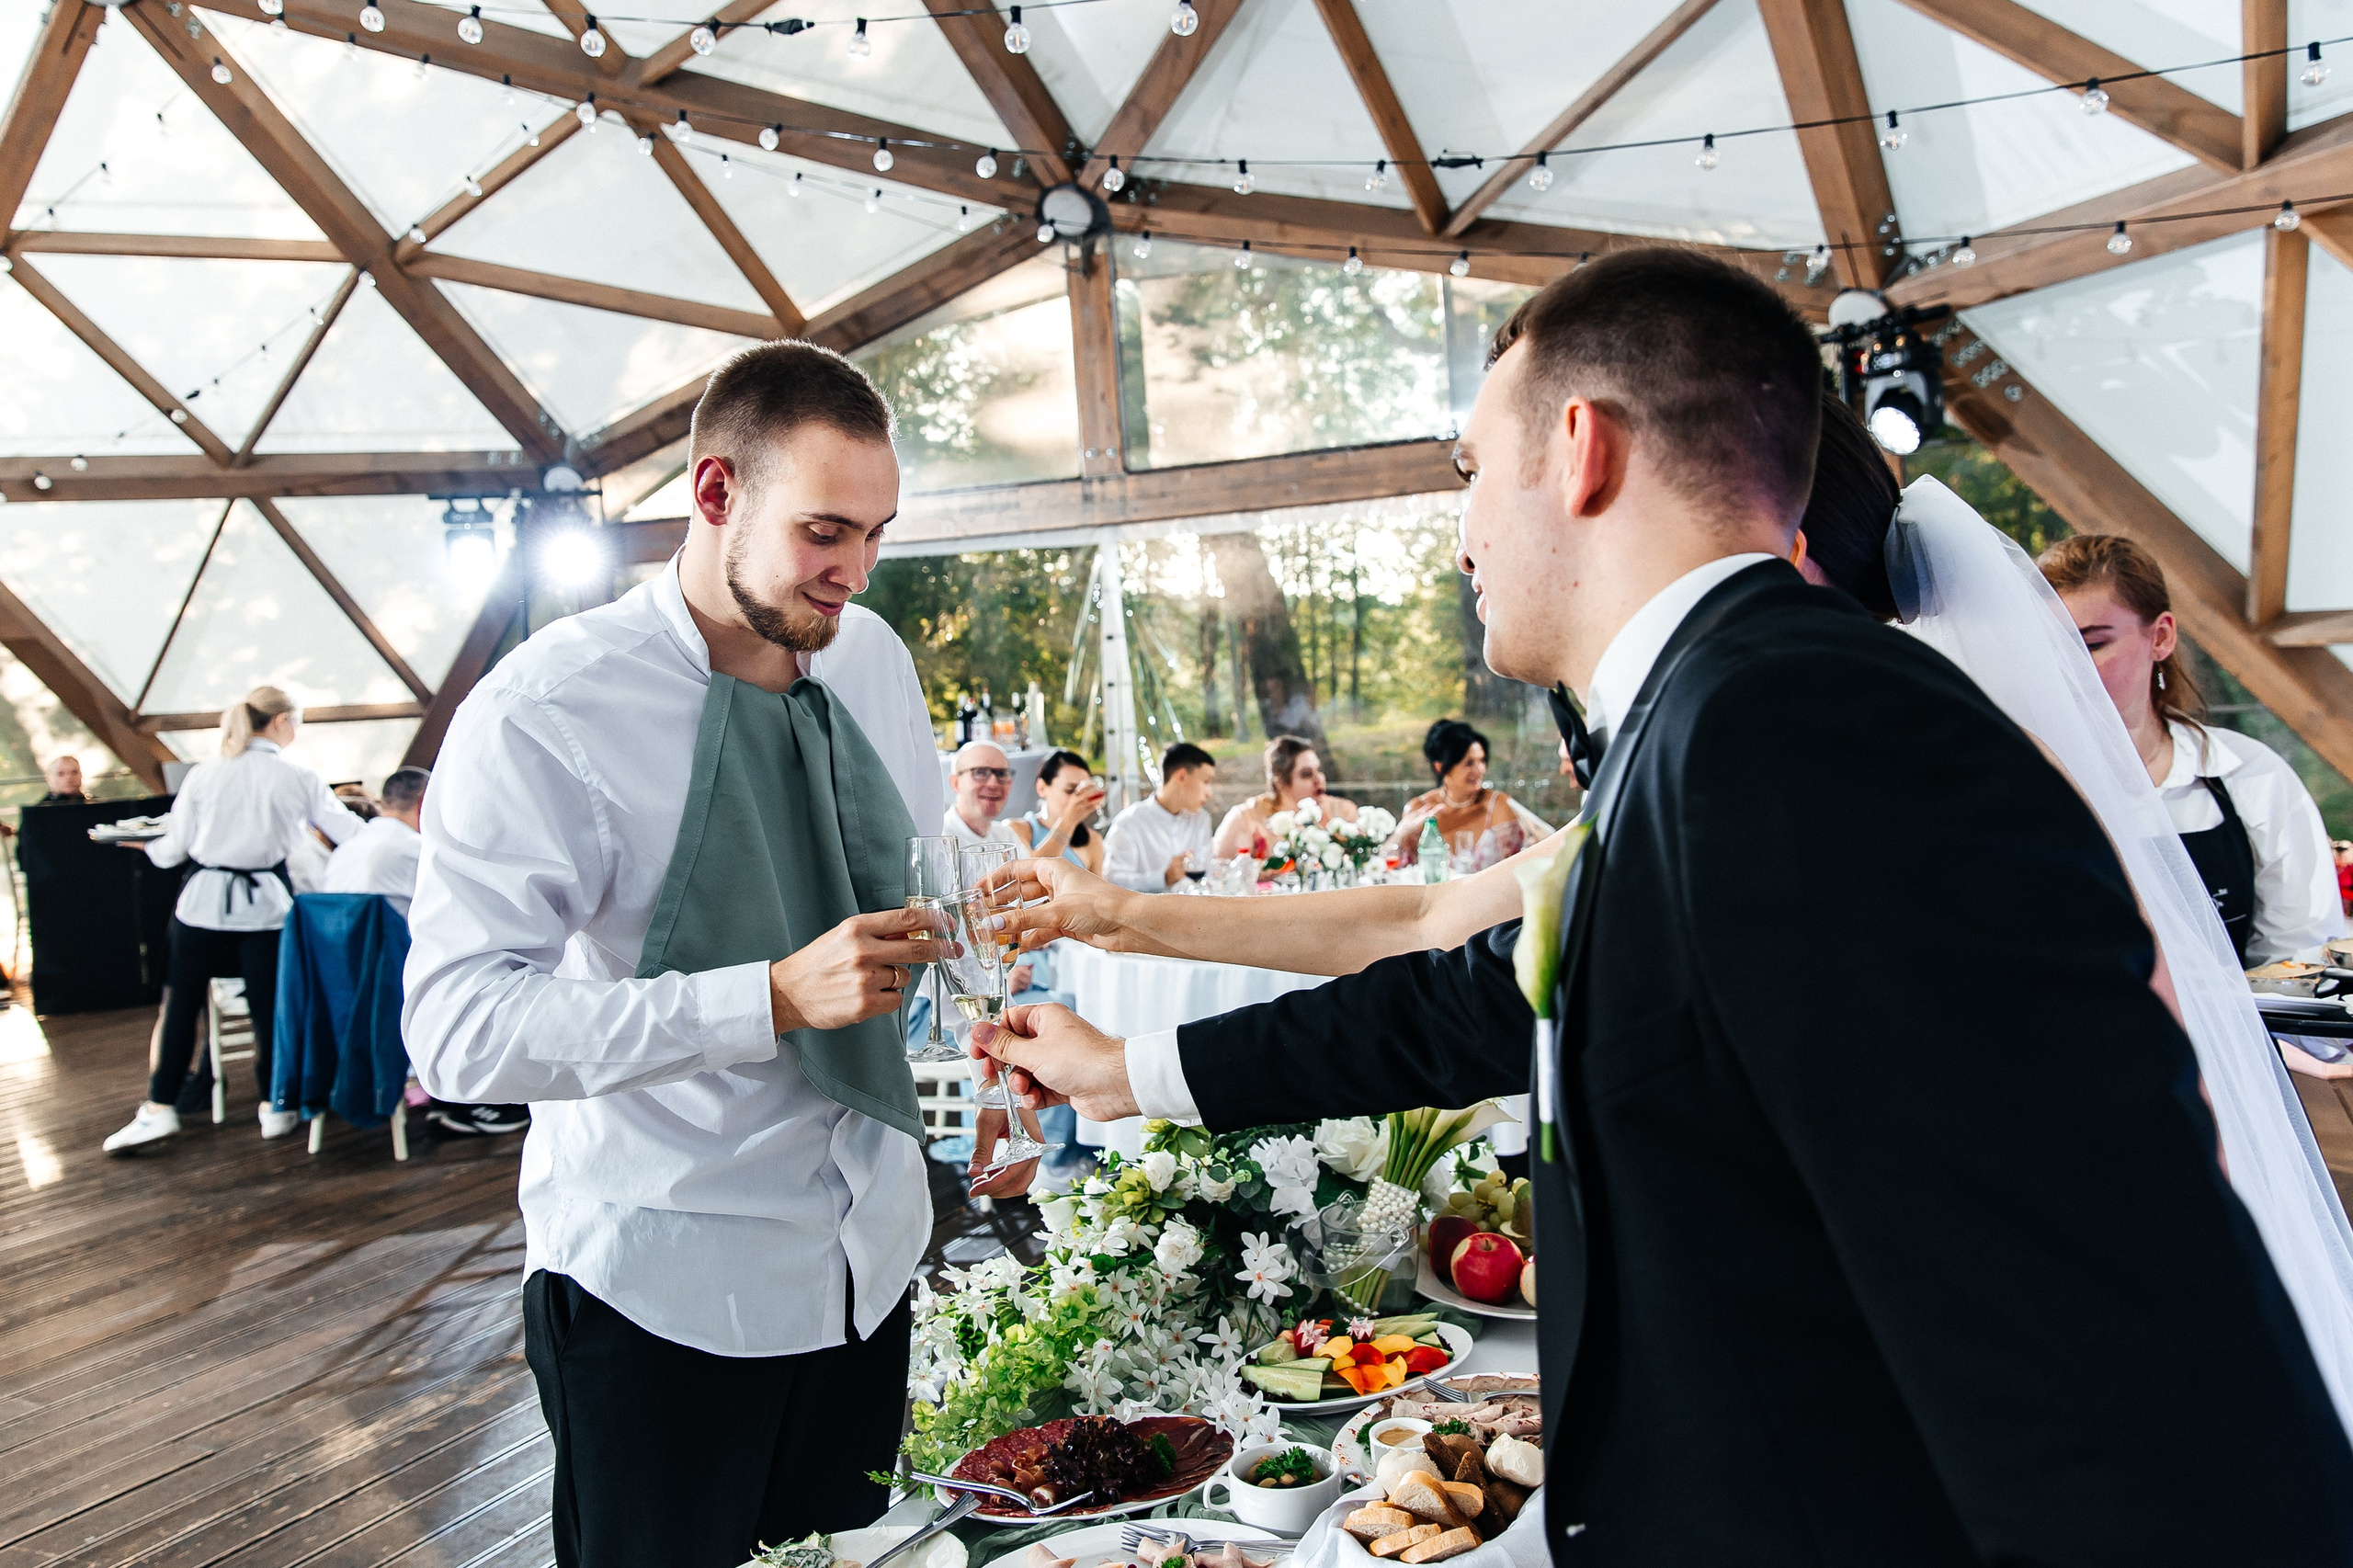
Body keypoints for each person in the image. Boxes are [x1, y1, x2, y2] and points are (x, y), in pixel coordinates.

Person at [978, 247, 2353, 1562]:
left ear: (1580, 448)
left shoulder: (1808, 725)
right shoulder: (1696, 721)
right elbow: (1468, 997)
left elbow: (2117, 1354)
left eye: (1470, 470)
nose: (1461, 528)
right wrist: (1127, 1072)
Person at [402, 342, 1038, 1568]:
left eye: (875, 534)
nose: (853, 571)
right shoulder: (546, 711)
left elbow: (915, 877)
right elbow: (458, 1030)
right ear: (714, 495)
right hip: (665, 1285)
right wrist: (766, 998)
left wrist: (983, 989)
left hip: (868, 1259)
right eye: (823, 532)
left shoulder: (873, 657)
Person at [2037, 533, 2344, 970]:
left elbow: (2300, 961)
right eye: (2052, 647)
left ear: (2161, 637)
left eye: (2092, 645)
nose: (2071, 669)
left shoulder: (2251, 778)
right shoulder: (2024, 785)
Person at [102, 687, 366, 1151]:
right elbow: (351, 834)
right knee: (269, 1010)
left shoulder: (206, 774)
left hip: (201, 905)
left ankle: (160, 1108)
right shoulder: (299, 776)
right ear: (282, 721)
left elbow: (171, 852)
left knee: (183, 1005)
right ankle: (275, 1105)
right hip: (266, 908)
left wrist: (143, 845)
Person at [1392, 720, 1529, 872]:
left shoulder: (1498, 804)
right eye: (1469, 763)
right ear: (1441, 766)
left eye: (1482, 760)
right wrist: (1402, 832)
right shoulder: (1419, 808)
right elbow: (1389, 866)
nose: (1480, 770)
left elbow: (1518, 867)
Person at [1211, 735, 1357, 858]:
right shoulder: (1247, 816)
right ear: (1280, 782)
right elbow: (1221, 870)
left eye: (1319, 770)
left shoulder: (1342, 811)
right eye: (1306, 774)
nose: (1318, 779)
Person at [1101, 742, 1217, 892]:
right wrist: (1163, 878)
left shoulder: (1201, 819)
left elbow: (1207, 872)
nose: (1210, 793)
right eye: (1206, 781)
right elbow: (1112, 882)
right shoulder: (1128, 823)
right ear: (1181, 776)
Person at [322, 766, 428, 916]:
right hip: (387, 938)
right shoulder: (417, 850)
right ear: (423, 803)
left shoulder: (345, 849)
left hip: (335, 938)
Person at [1003, 748, 1106, 874]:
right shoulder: (1016, 829)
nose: (1077, 798)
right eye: (1070, 790)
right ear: (1041, 787)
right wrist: (1068, 822)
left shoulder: (1092, 839)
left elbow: (1098, 890)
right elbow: (1031, 877)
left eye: (1083, 791)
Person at [942, 739, 1022, 852]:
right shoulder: (939, 840)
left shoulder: (1006, 838)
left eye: (1002, 774)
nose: (993, 784)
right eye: (980, 772)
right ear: (955, 782)